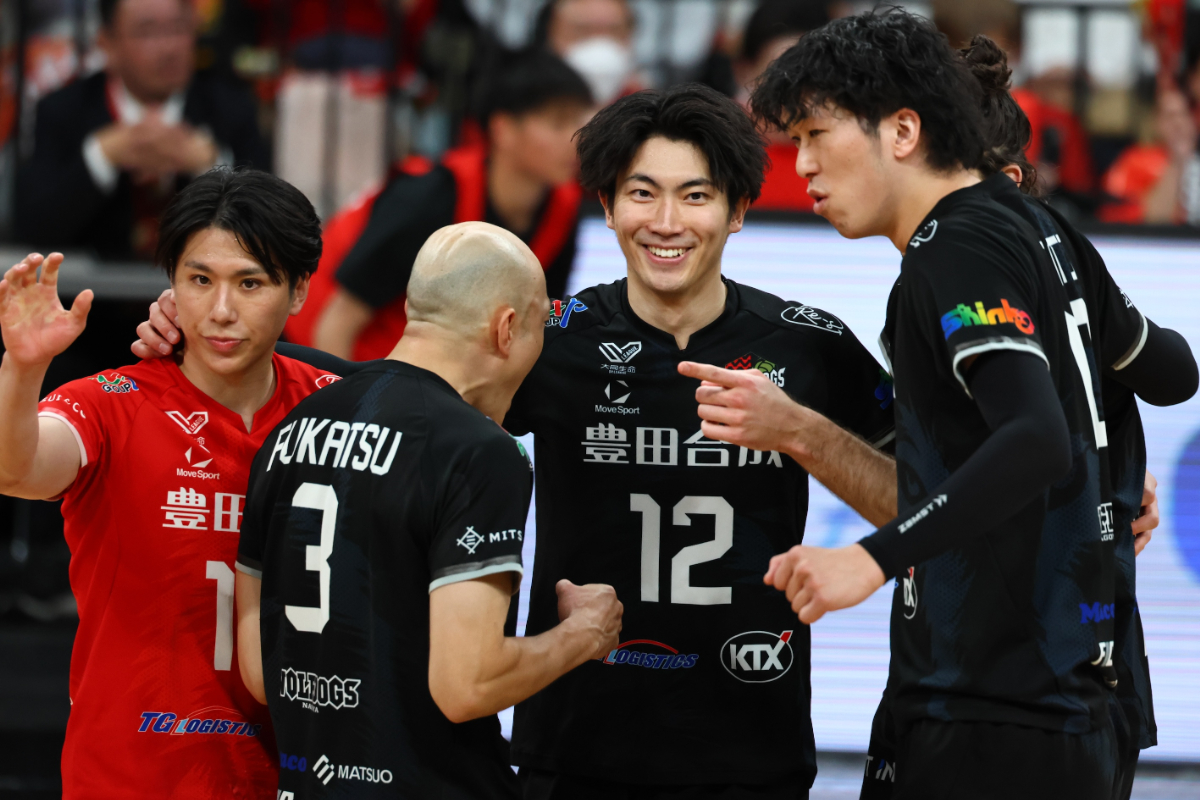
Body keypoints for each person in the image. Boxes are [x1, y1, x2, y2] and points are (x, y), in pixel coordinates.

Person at [133, 84, 900, 799]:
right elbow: (395, 397)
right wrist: (200, 341)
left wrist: (802, 432)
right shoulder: (548, 336)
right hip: (572, 746)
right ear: (606, 206)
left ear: (737, 212)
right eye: (642, 193)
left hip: (750, 746)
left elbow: (919, 502)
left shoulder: (810, 344)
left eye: (695, 196)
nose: (667, 221)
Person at [741, 8, 1194, 798]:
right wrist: (1107, 474)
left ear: (903, 131)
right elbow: (1170, 373)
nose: (801, 162)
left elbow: (1035, 438)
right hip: (1083, 694)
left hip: (996, 706)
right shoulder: (1043, 229)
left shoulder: (953, 246)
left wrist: (869, 559)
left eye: (815, 134)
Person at [234, 221, 624, 798]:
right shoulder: (479, 450)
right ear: (506, 328)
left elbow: (259, 672)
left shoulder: (293, 426)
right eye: (540, 327)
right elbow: (467, 686)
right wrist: (583, 635)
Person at [0, 168, 335, 798]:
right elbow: (15, 470)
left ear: (298, 291)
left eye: (250, 283)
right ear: (171, 287)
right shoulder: (109, 403)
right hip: (129, 779)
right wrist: (24, 368)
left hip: (292, 775)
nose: (221, 310)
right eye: (199, 280)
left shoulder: (340, 412)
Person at [290, 49, 593, 361]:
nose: (577, 138)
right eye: (558, 123)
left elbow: (541, 324)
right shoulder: (428, 198)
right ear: (503, 128)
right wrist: (340, 392)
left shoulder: (564, 207)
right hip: (322, 347)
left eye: (580, 121)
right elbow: (337, 323)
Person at [16, 0, 269, 260]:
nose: (169, 47)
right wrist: (101, 157)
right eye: (147, 32)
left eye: (179, 28)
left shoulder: (231, 108)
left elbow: (269, 230)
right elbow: (31, 230)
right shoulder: (63, 111)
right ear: (107, 44)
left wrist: (212, 168)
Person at [732, 0, 829, 212]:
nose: (794, 90)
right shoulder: (717, 156)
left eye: (809, 75)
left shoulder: (850, 161)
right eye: (778, 75)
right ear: (743, 72)